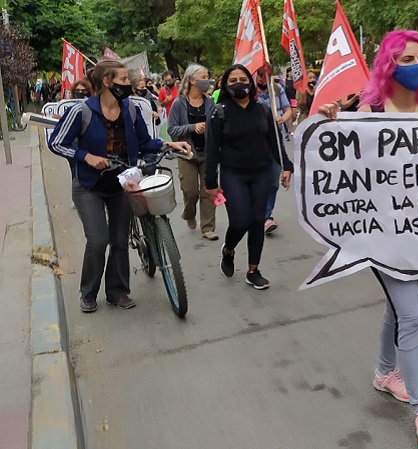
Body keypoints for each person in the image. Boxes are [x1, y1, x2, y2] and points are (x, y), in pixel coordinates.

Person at [317, 30, 418, 449]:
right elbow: (325, 149)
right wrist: (327, 121)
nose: (415, 65)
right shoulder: (368, 108)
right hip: (380, 233)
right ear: (388, 65)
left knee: (398, 307)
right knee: (410, 314)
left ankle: (384, 372)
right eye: (405, 58)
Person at [47, 60, 190, 312]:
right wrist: (86, 157)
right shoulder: (82, 111)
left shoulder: (131, 110)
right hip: (89, 186)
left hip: (123, 182)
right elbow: (57, 142)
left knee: (120, 240)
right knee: (98, 240)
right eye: (124, 80)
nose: (128, 84)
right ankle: (88, 292)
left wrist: (169, 144)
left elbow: (146, 141)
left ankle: (118, 291)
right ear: (107, 82)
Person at [204, 64, 293, 290]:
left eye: (242, 79)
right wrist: (211, 183)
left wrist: (286, 166)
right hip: (233, 174)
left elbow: (274, 142)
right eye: (232, 80)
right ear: (225, 85)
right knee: (240, 221)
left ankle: (253, 270)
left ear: (250, 82)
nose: (238, 84)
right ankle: (228, 249)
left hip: (261, 173)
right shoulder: (219, 111)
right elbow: (212, 149)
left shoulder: (263, 109)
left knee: (257, 221)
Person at [167, 64, 218, 241]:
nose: (207, 80)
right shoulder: (179, 103)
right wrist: (192, 127)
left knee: (208, 191)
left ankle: (208, 227)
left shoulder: (210, 102)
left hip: (208, 153)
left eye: (208, 76)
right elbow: (172, 130)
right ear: (192, 80)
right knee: (190, 192)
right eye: (203, 77)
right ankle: (189, 214)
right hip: (186, 154)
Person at [255, 66, 292, 235]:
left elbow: (288, 110)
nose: (264, 81)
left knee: (272, 182)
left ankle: (266, 216)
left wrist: (281, 118)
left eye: (267, 78)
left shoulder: (277, 89)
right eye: (261, 78)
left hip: (275, 140)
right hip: (255, 143)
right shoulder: (250, 93)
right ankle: (259, 215)